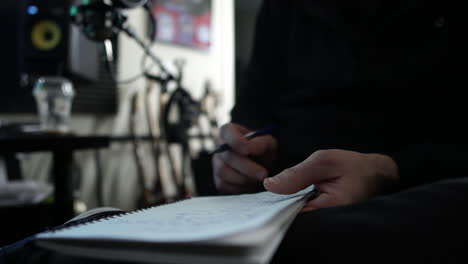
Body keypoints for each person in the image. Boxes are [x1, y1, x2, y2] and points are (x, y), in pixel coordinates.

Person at [213, 0, 468, 259]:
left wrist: (389, 169)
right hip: (275, 202)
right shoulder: (283, 8)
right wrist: (240, 154)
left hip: (414, 196)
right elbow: (253, 106)